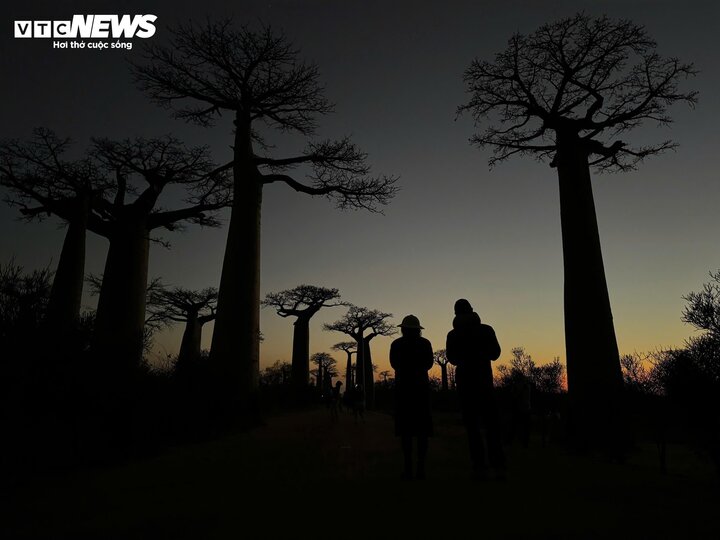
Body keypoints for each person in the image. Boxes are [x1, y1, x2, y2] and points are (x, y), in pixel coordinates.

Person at [446, 298, 506, 479]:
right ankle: (497, 462)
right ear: (472, 310)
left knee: (472, 427)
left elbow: (453, 359)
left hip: (465, 384)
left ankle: (479, 464)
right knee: (491, 425)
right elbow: (495, 354)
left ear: (456, 313)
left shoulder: (453, 335)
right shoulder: (486, 330)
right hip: (484, 382)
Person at [390, 314, 434, 480]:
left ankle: (408, 469)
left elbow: (394, 364)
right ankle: (421, 468)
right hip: (421, 390)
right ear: (418, 330)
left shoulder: (396, 344)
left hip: (403, 391)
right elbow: (429, 364)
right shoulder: (425, 343)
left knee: (406, 432)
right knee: (422, 432)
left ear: (402, 329)